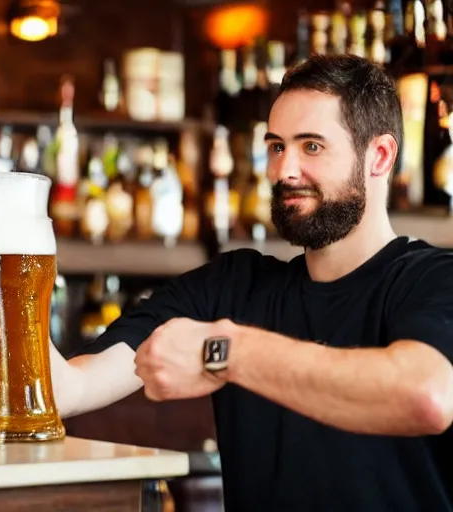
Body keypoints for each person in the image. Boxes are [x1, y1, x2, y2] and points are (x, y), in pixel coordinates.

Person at [48, 54, 453, 512]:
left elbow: (426, 395)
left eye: (311, 147)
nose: (284, 171)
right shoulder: (232, 286)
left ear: (379, 156)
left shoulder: (433, 280)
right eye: (277, 146)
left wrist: (224, 352)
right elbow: (68, 391)